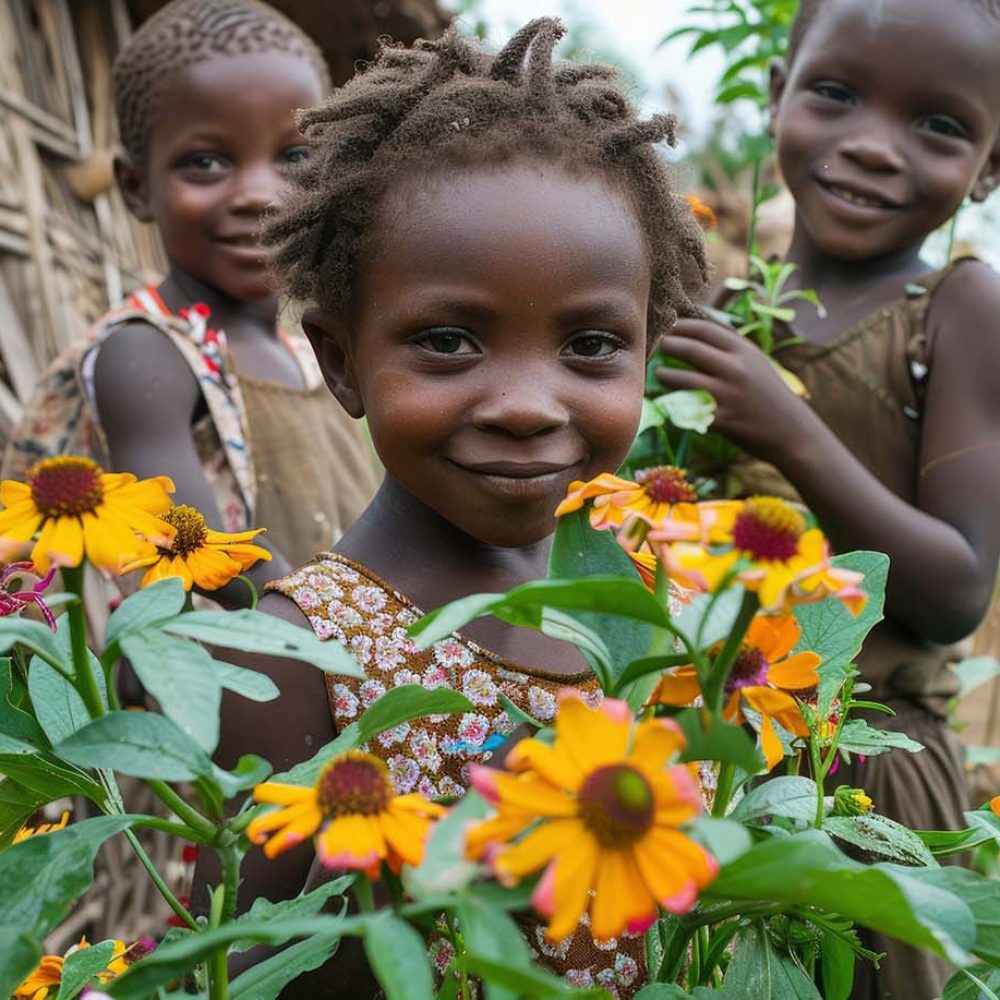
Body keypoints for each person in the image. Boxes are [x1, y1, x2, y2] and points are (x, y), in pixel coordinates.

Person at [203, 18, 708, 996]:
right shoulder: (298, 653)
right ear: (343, 361)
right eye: (448, 340)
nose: (525, 406)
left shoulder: (652, 613)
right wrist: (425, 873)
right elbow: (240, 970)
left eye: (592, 346)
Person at [657, 1, 1000, 996]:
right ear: (776, 98)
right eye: (835, 93)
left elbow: (957, 589)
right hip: (711, 757)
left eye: (937, 124)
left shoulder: (957, 309)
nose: (870, 146)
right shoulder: (719, 319)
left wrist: (788, 427)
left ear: (987, 167)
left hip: (866, 773)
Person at [2, 0, 380, 607]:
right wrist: (366, 633)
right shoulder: (146, 355)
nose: (259, 194)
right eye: (205, 163)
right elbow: (205, 557)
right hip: (223, 684)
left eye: (296, 157)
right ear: (135, 188)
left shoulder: (310, 347)